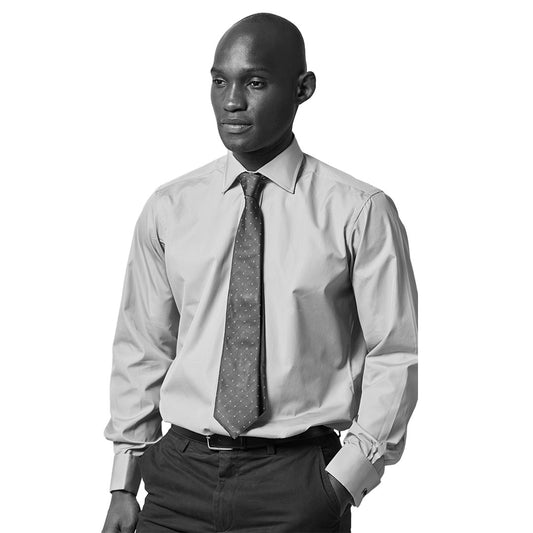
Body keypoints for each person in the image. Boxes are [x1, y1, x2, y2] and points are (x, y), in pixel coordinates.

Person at [101, 12, 418, 533]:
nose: (231, 101)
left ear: (303, 89)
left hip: (297, 483)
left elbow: (394, 352)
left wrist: (343, 481)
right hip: (177, 477)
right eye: (219, 81)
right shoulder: (170, 208)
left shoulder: (359, 211)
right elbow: (143, 346)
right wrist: (123, 482)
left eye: (254, 82)